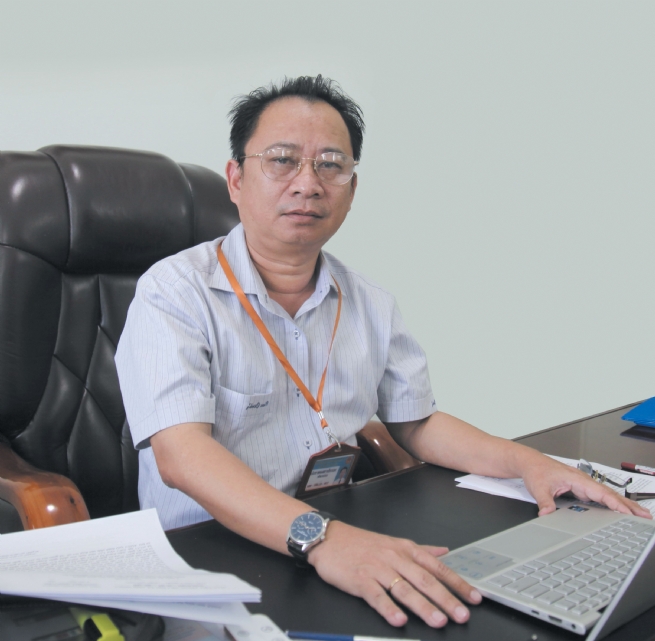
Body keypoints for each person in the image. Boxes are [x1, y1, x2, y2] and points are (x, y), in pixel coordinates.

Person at [115, 75, 651, 630]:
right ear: (236, 178)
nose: (308, 183)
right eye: (282, 160)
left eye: (330, 165)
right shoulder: (174, 293)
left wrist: (531, 464)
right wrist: (324, 540)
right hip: (207, 555)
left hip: (340, 538)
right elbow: (182, 456)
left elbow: (417, 421)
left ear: (351, 189)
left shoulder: (368, 301)